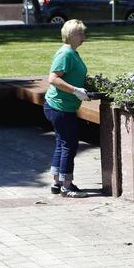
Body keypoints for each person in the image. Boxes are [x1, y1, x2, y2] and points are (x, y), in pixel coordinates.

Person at [44, 19, 90, 198]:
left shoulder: (72, 52)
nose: (83, 37)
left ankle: (57, 182)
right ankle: (67, 186)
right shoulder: (65, 54)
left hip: (63, 107)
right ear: (71, 35)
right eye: (80, 33)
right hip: (59, 107)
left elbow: (73, 75)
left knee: (62, 143)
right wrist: (75, 90)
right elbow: (53, 78)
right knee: (69, 145)